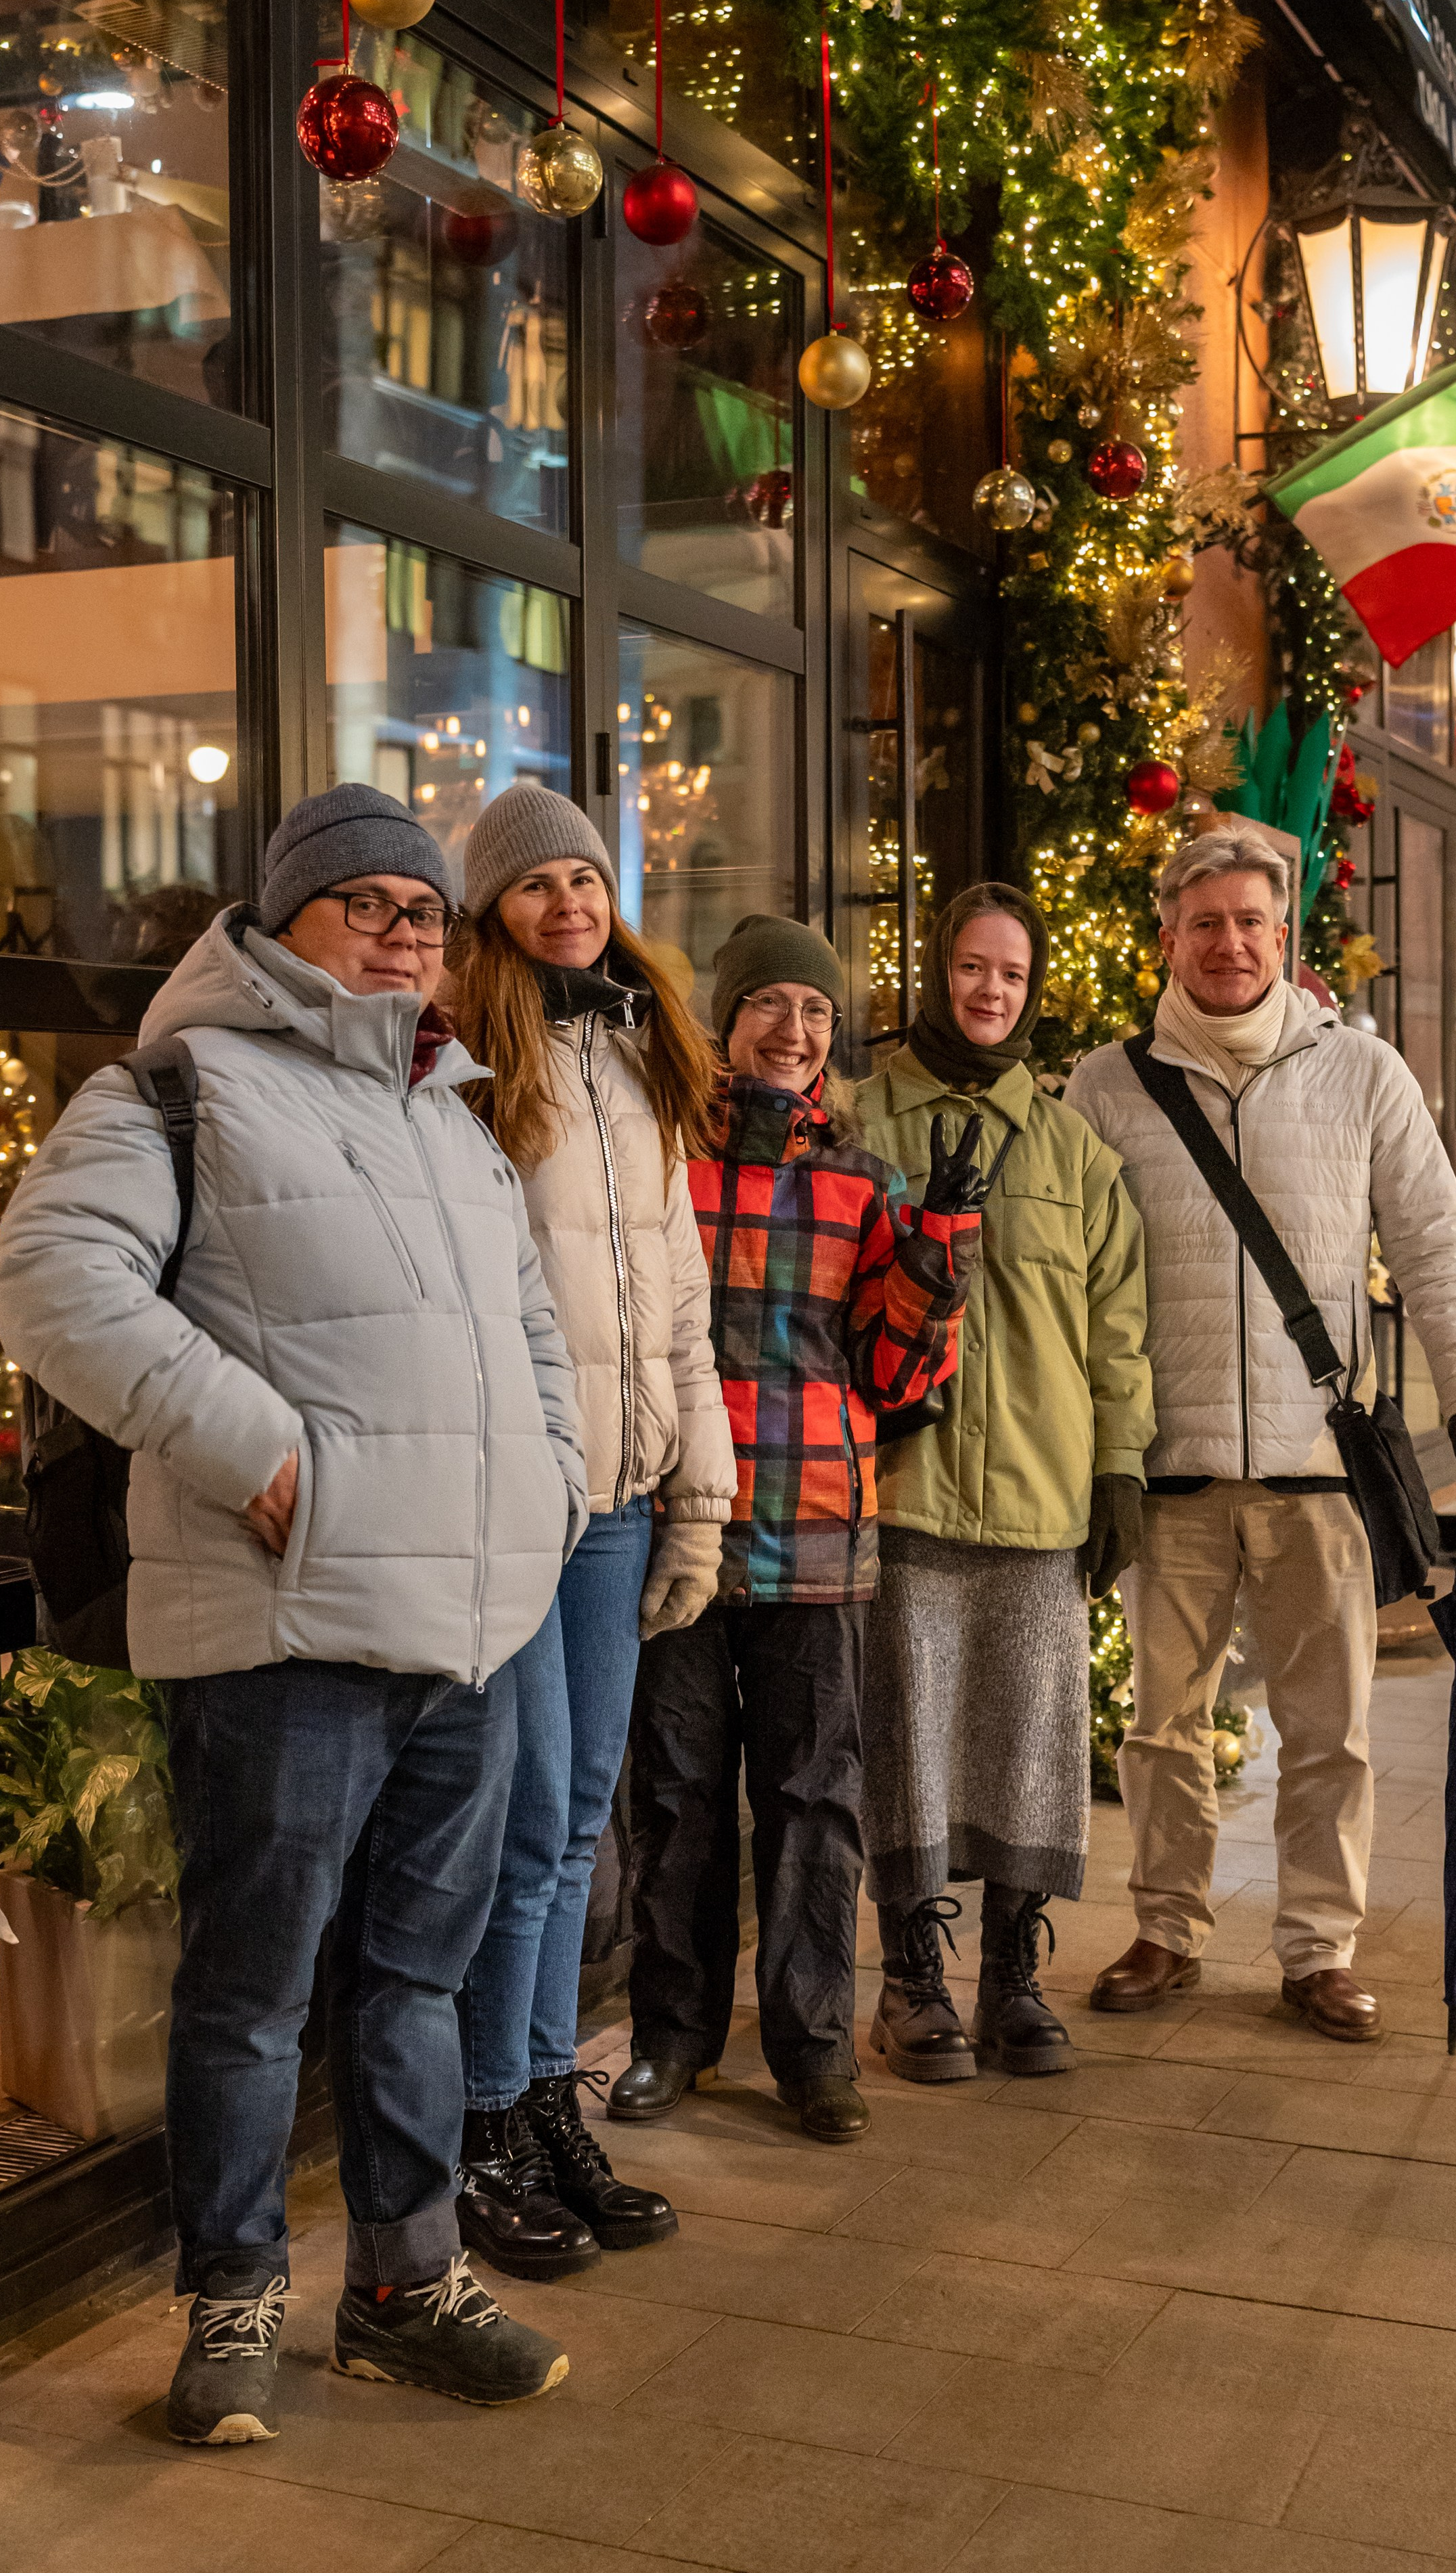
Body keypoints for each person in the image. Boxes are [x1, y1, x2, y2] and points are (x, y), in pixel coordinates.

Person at [0, 786, 589, 2446]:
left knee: (415, 1979)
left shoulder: (455, 1114)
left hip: (466, 1630)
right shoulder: (184, 1085)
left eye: (423, 908)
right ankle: (230, 2294)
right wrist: (254, 1446)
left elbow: (532, 1339)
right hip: (283, 1629)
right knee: (250, 1992)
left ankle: (402, 2284)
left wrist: (544, 1490)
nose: (406, 931)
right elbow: (47, 1276)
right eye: (370, 904)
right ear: (280, 923)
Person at [1070, 825, 1456, 2042]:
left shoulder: (1360, 1075)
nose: (1228, 944)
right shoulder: (1105, 1087)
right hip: (1167, 1469)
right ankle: (1168, 1925)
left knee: (1331, 1729)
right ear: (1167, 937)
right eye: (1204, 923)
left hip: (1320, 1462)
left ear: (1287, 938)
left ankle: (1320, 1947)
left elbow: (1432, 1244)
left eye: (1250, 923)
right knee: (1162, 1727)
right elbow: (1067, 1279)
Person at [610, 916, 991, 2141]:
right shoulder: (663, 1158)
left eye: (818, 1012)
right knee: (675, 1799)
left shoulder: (864, 1181)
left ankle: (813, 2047)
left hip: (821, 1533)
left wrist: (938, 1246)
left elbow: (892, 1371)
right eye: (772, 1004)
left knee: (812, 1799)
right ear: (727, 1023)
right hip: (683, 1527)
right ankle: (672, 2038)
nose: (795, 1029)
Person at [449, 787, 735, 2282]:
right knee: (522, 1817)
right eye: (534, 881)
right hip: (518, 1501)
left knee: (574, 1823)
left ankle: (544, 2097)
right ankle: (482, 2119)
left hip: (621, 1497)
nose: (566, 900)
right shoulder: (467, 1055)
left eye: (584, 875)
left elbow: (676, 1295)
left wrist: (701, 1479)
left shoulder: (636, 1047)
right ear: (487, 906)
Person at [855, 884, 1152, 2081]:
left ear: (1032, 993)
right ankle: (913, 1982)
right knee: (909, 1744)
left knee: (1032, 1744)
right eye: (972, 968)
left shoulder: (1073, 1147)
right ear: (938, 973)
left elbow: (1117, 1328)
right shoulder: (863, 1115)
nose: (990, 991)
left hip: (1040, 1499)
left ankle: (1016, 1976)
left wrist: (1119, 1470)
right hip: (905, 1496)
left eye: (1012, 977)